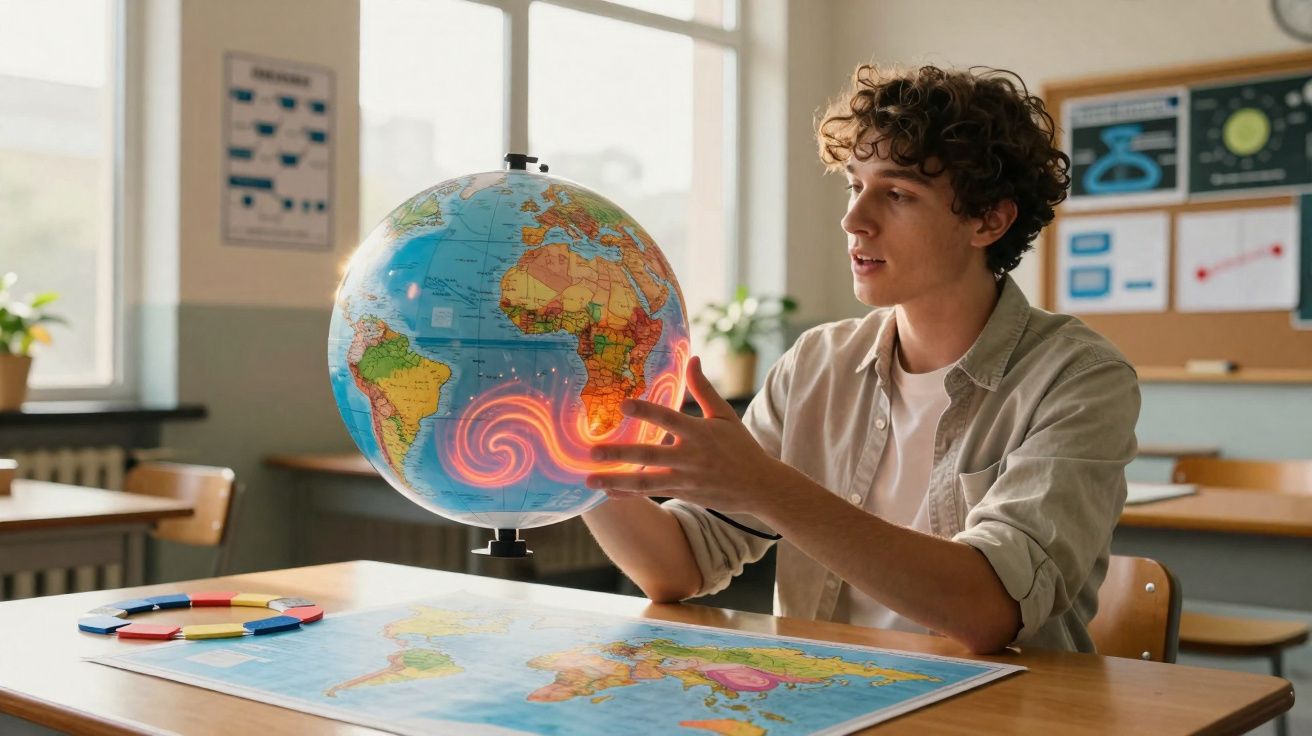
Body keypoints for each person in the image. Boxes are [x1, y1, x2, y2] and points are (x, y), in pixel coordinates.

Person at [581, 63, 1140, 654]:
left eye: (897, 194)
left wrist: (766, 487)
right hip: (827, 699)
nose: (853, 220)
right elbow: (677, 567)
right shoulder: (815, 363)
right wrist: (569, 450)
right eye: (855, 185)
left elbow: (987, 612)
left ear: (989, 220)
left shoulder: (1079, 378)